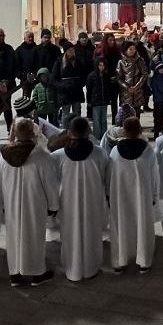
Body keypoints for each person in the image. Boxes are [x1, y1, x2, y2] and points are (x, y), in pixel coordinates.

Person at [0, 117, 58, 287]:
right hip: (34, 204)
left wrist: (1, 204)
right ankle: (37, 273)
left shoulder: (3, 157)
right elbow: (50, 184)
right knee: (34, 237)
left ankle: (15, 274)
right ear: (32, 133)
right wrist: (53, 206)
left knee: (13, 237)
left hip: (11, 205)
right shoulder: (41, 157)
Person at [51, 117, 109, 282]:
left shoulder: (58, 156)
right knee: (91, 233)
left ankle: (73, 269)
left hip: (68, 202)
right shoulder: (99, 153)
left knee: (70, 234)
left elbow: (53, 180)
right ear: (89, 132)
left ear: (69, 133)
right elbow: (106, 177)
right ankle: (91, 268)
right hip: (92, 201)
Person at [107, 116, 160, 274]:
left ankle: (120, 261)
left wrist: (109, 196)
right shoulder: (148, 151)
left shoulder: (115, 151)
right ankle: (143, 261)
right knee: (142, 226)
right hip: (142, 197)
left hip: (120, 198)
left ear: (124, 130)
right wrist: (155, 196)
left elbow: (110, 176)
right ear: (140, 131)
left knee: (120, 227)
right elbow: (154, 176)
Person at [117, 41, 149, 114]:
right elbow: (119, 77)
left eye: (134, 49)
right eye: (130, 49)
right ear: (125, 50)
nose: (133, 51)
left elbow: (144, 74)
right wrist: (127, 87)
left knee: (137, 112)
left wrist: (137, 87)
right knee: (127, 114)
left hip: (138, 91)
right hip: (126, 92)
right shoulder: (121, 62)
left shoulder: (140, 60)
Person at [85, 58, 110, 141]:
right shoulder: (92, 76)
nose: (102, 67)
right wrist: (88, 101)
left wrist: (108, 99)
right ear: (97, 65)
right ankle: (97, 138)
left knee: (104, 120)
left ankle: (104, 137)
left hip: (104, 101)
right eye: (100, 65)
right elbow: (89, 90)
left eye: (103, 65)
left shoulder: (106, 75)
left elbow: (108, 89)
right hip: (95, 101)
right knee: (96, 120)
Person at [14, 31, 38, 99]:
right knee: (26, 98)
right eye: (29, 37)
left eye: (32, 37)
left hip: (36, 78)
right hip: (25, 79)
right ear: (24, 38)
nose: (31, 39)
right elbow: (16, 64)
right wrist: (21, 75)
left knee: (38, 97)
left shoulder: (37, 49)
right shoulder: (19, 50)